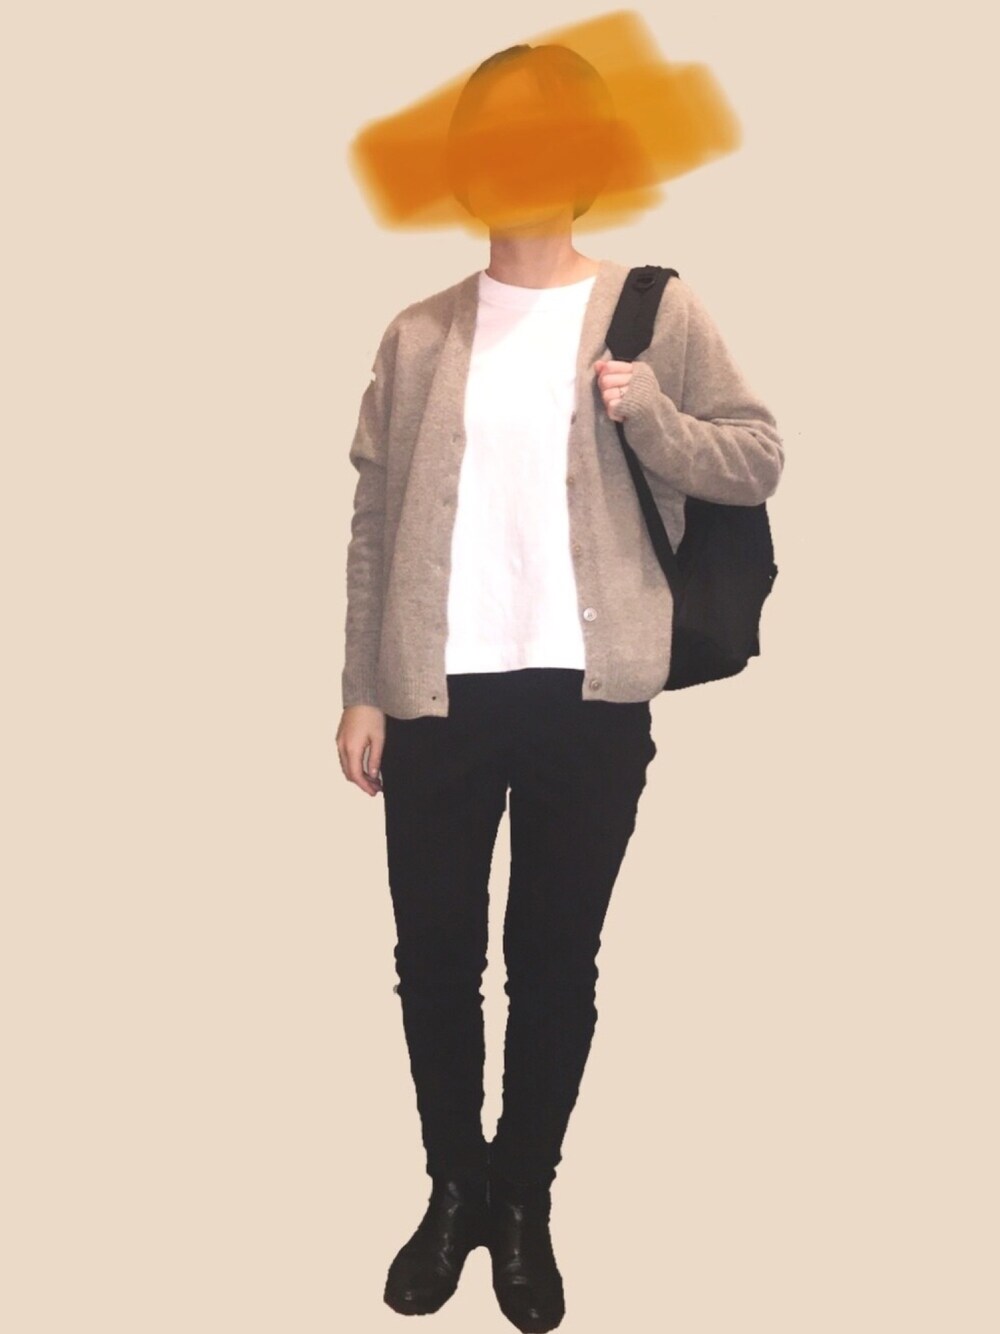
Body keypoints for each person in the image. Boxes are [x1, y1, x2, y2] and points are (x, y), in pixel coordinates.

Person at [335, 43, 784, 1334]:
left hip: (588, 704)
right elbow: (374, 522)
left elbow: (757, 456)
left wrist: (652, 415)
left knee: (553, 963)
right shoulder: (418, 332)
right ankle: (453, 1190)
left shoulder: (653, 309)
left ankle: (524, 1198)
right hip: (434, 697)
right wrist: (362, 684)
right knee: (433, 963)